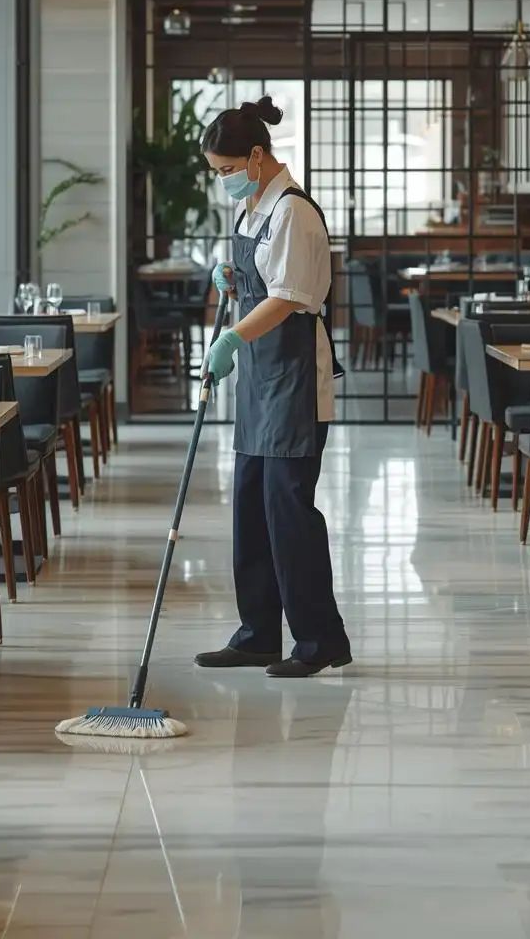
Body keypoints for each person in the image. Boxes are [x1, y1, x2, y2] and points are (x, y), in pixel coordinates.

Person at [194, 96, 351, 678]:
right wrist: (232, 283)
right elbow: (260, 285)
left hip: (294, 382)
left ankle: (319, 640)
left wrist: (231, 337)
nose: (224, 182)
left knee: (289, 512)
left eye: (228, 170)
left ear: (257, 156)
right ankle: (257, 633)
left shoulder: (293, 212)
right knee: (251, 512)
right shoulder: (254, 208)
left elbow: (289, 298)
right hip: (261, 384)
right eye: (217, 173)